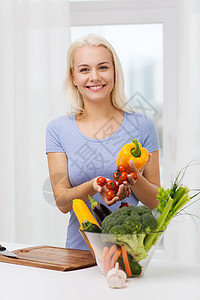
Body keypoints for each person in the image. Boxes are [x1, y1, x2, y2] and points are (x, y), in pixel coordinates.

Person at [46, 34, 161, 250]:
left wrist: (135, 179)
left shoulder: (143, 125)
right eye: (84, 69)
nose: (95, 76)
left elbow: (157, 202)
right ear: (73, 77)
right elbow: (62, 202)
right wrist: (92, 186)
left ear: (114, 72)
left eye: (103, 67)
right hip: (78, 253)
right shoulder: (58, 129)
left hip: (130, 253)